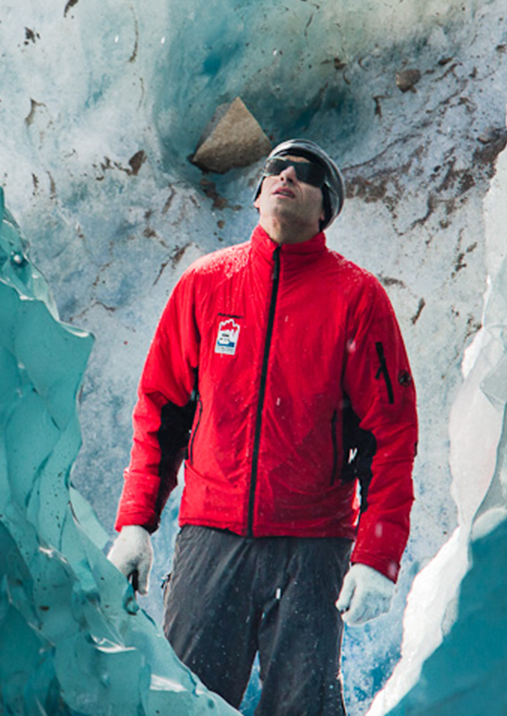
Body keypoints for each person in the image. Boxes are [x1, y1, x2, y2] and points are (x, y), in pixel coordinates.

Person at [107, 139, 418, 716]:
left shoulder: (358, 299)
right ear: (256, 197)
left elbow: (390, 436)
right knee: (183, 706)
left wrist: (377, 556)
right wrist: (135, 524)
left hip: (312, 549)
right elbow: (161, 412)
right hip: (210, 539)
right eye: (276, 169)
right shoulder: (205, 285)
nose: (287, 176)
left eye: (307, 174)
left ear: (326, 210)